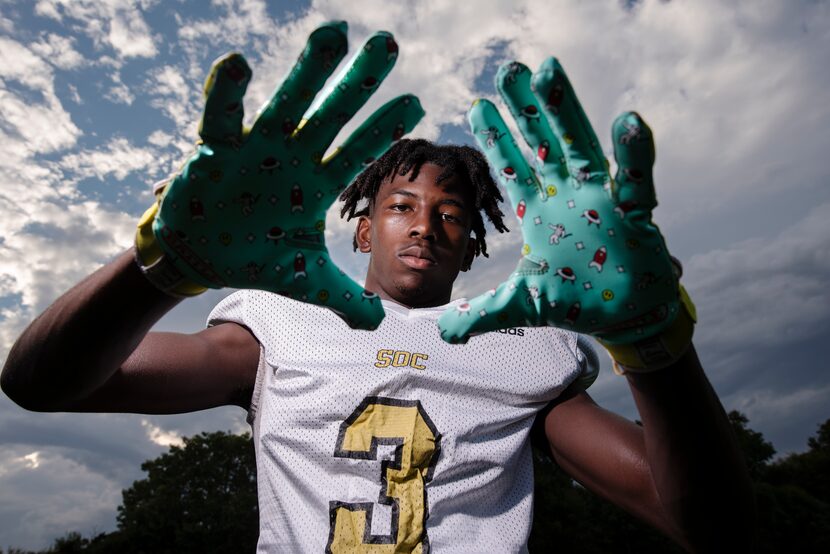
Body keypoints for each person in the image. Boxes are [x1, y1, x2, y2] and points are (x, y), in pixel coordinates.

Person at [1, 22, 754, 553]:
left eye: (452, 215)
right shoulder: (277, 327)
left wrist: (654, 341)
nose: (425, 225)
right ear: (364, 230)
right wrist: (160, 267)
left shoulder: (522, 352)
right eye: (401, 207)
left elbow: (710, 529)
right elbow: (39, 382)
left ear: (473, 245)